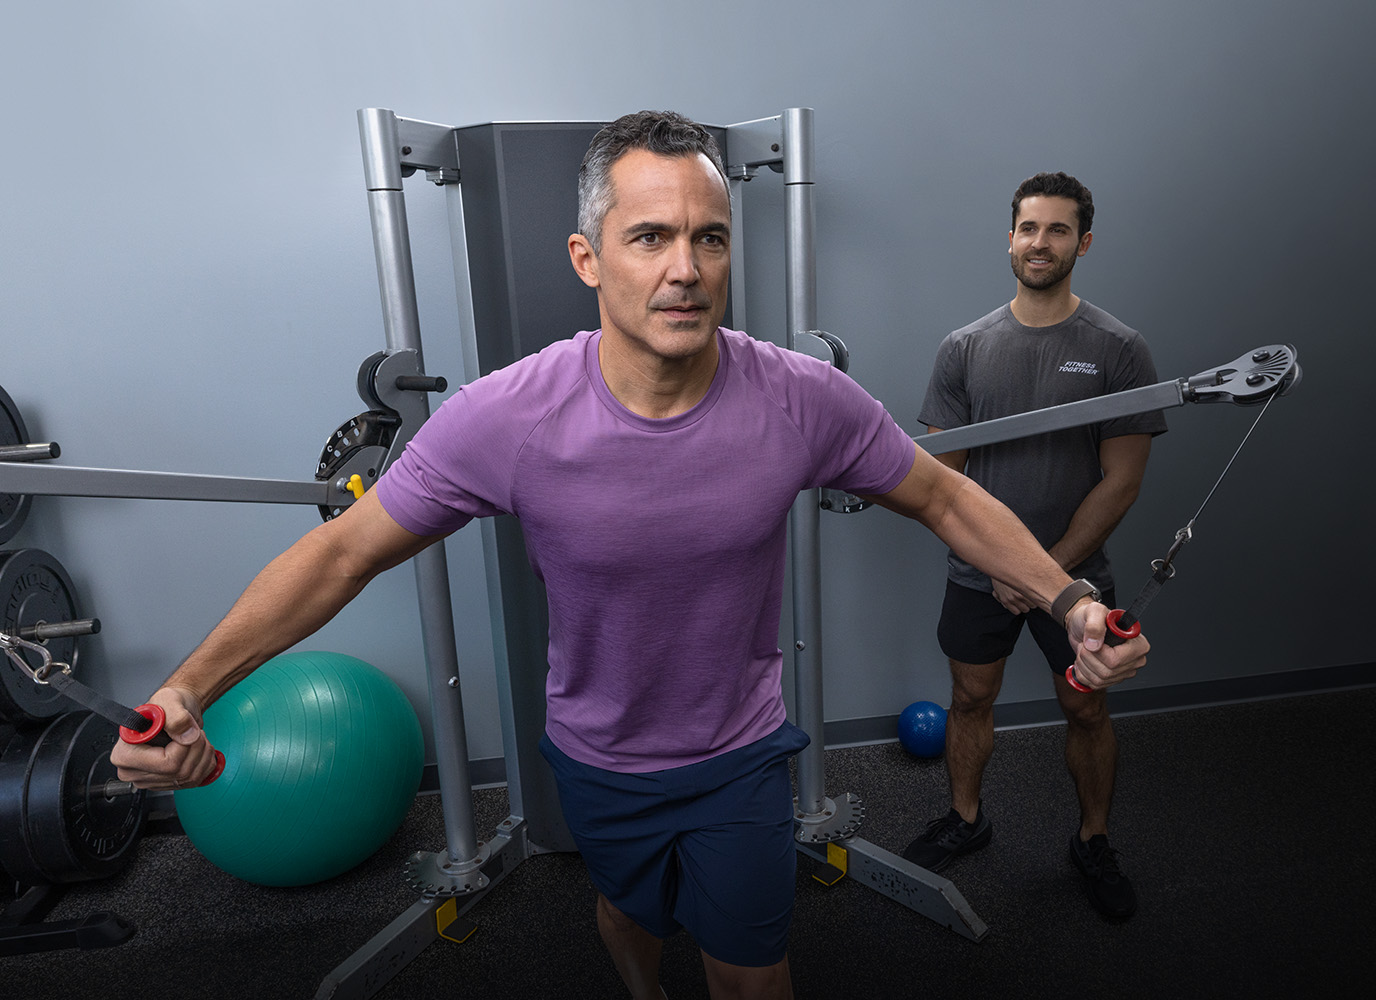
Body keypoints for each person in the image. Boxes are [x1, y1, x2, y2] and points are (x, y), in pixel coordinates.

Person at [110, 118, 1150, 999]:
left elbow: (943, 494)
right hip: (598, 752)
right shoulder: (504, 417)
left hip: (739, 751)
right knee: (627, 918)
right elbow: (342, 554)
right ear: (588, 257)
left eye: (708, 238)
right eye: (649, 236)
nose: (685, 269)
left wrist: (1068, 602)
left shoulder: (800, 398)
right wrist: (189, 687)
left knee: (752, 972)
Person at [902, 172, 1167, 921]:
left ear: (1082, 242)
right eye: (1028, 228)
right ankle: (965, 819)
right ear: (1009, 238)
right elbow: (938, 481)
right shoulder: (965, 348)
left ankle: (1092, 838)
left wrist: (1047, 578)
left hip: (1077, 580)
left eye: (1057, 230)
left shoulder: (1119, 349)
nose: (1039, 242)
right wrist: (1001, 566)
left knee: (1085, 711)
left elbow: (1121, 482)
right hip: (976, 576)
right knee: (969, 698)